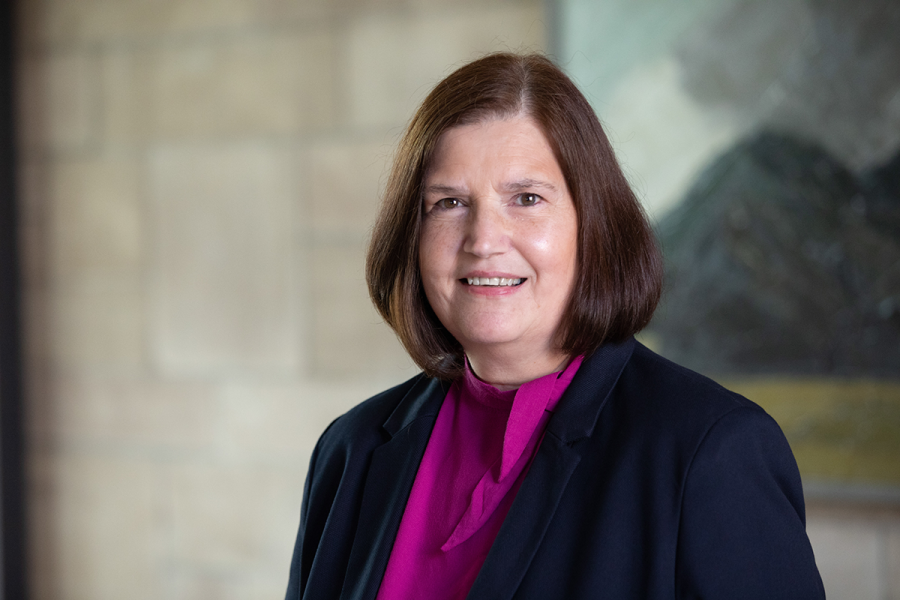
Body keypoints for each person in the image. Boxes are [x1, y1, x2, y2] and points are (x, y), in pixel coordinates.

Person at [285, 53, 824, 600]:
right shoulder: (349, 450)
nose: (483, 240)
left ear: (594, 225)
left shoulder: (711, 452)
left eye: (526, 199)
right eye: (448, 203)